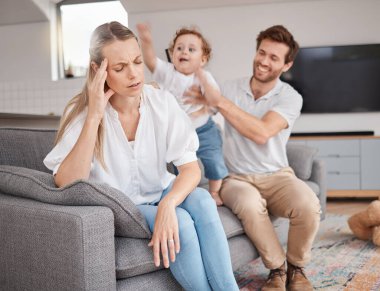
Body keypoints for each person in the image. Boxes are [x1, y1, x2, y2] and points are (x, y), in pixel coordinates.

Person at [43, 21, 238, 291]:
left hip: (160, 191)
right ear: (97, 69)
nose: (134, 74)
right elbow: (66, 182)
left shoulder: (161, 102)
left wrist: (168, 204)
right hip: (125, 205)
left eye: (137, 61)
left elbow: (191, 169)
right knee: (181, 223)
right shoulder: (81, 114)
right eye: (120, 68)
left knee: (203, 199)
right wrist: (95, 115)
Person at [186, 25, 321, 291]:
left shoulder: (290, 97)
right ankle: (277, 270)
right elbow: (197, 113)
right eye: (262, 52)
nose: (264, 61)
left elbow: (262, 133)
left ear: (286, 65)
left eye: (274, 57)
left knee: (308, 205)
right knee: (249, 204)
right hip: (236, 178)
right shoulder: (228, 88)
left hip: (278, 174)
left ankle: (297, 268)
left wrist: (220, 103)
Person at [136, 23, 228, 206]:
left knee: (214, 159)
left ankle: (215, 191)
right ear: (172, 54)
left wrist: (201, 76)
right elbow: (151, 61)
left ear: (202, 59)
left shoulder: (203, 77)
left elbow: (215, 98)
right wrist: (146, 41)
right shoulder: (167, 73)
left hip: (204, 127)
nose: (184, 52)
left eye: (191, 49)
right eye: (179, 48)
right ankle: (185, 191)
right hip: (180, 131)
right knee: (181, 165)